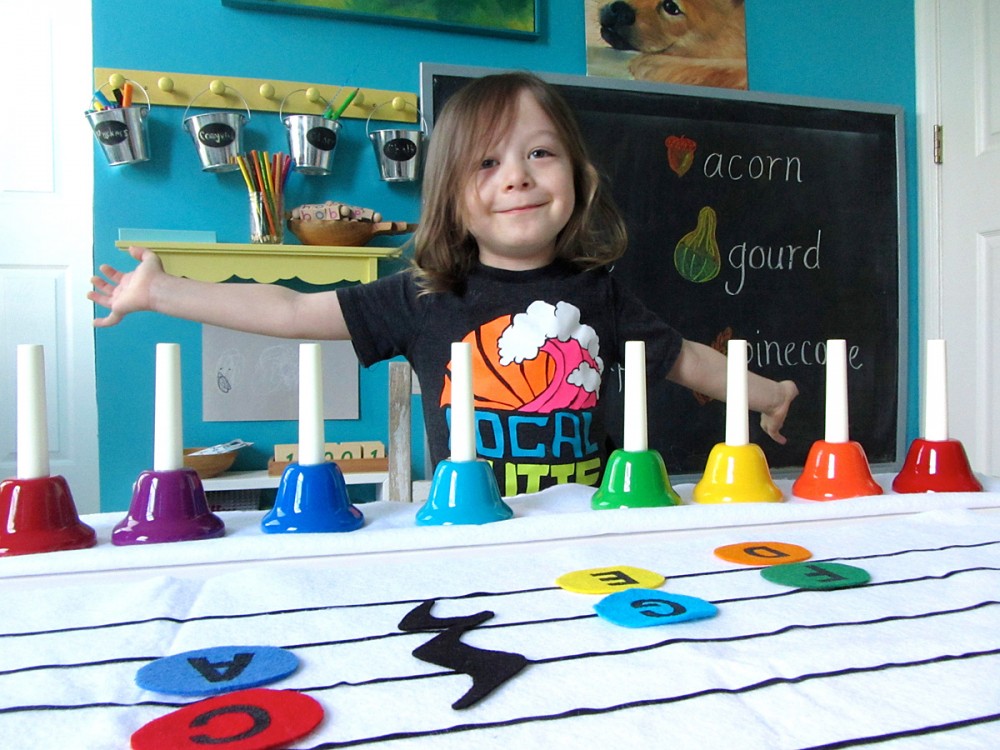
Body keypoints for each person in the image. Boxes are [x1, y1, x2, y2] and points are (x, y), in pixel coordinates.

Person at [90, 71, 798, 497]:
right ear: (451, 199)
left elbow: (686, 362)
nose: (517, 175)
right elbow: (292, 309)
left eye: (540, 153)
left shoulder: (598, 294)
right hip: (473, 530)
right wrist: (161, 290)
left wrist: (771, 395)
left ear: (578, 183)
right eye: (485, 164)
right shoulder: (424, 298)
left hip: (589, 530)